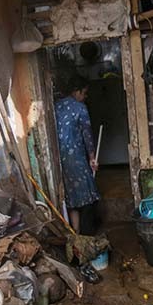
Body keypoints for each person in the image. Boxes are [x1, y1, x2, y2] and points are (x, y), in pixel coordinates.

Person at [55, 77, 99, 233]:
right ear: (77, 91)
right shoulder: (80, 108)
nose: (85, 97)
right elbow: (87, 135)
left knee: (72, 200)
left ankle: (76, 234)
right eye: (84, 93)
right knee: (87, 198)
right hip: (77, 159)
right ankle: (87, 236)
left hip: (60, 159)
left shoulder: (56, 106)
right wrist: (92, 158)